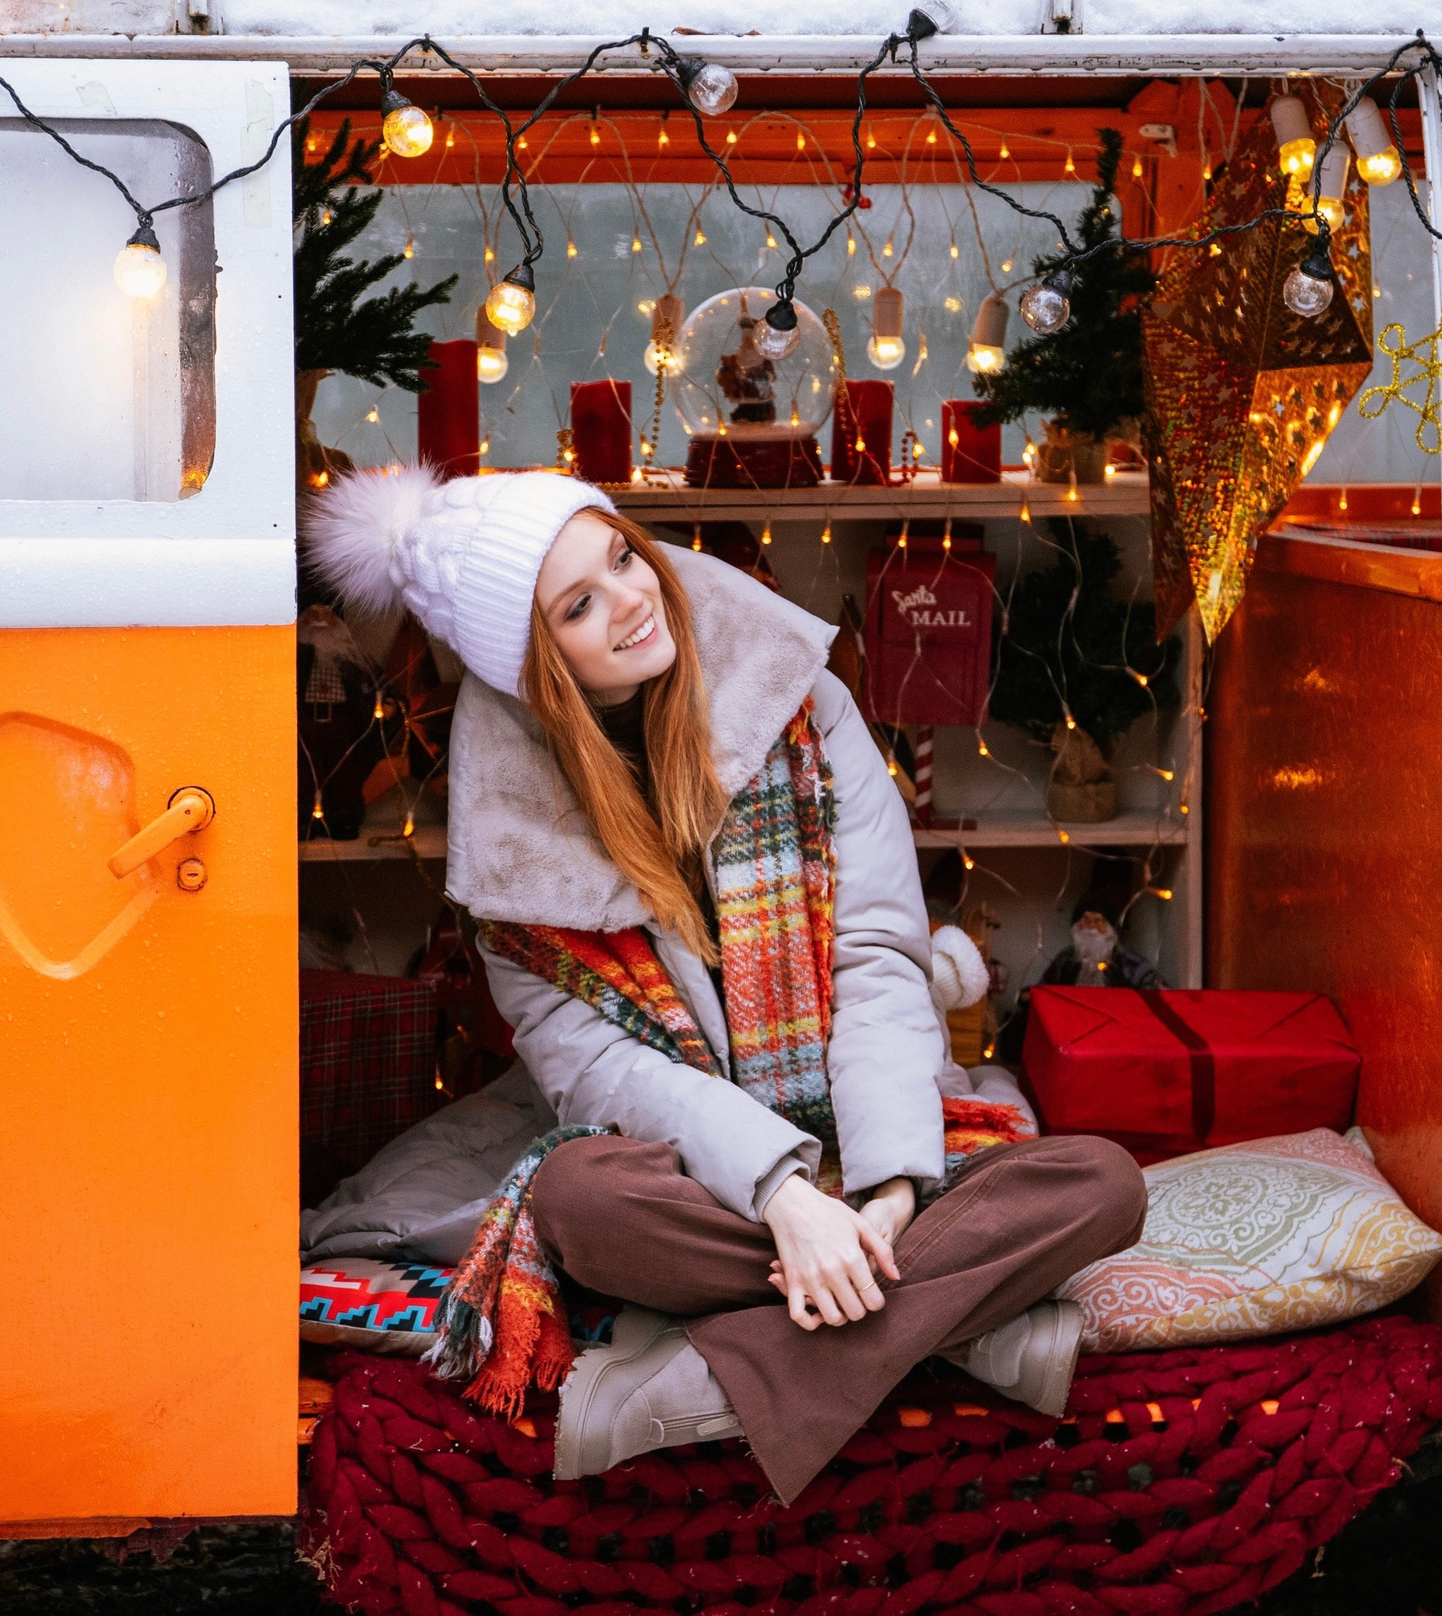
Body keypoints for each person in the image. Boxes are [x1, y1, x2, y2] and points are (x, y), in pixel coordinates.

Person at [306, 465, 1144, 1503]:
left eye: (622, 556)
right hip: (698, 1178)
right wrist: (783, 1196)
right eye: (578, 604)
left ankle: (714, 1382)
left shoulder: (802, 705)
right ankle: (941, 1327)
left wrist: (882, 1196)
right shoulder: (510, 856)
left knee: (1101, 1182)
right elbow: (603, 1076)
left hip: (857, 1129)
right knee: (577, 1199)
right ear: (534, 666)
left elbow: (877, 959)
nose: (630, 598)